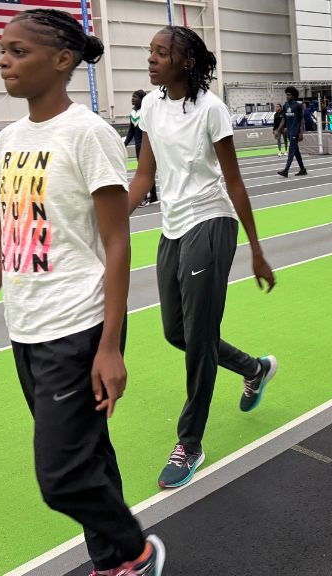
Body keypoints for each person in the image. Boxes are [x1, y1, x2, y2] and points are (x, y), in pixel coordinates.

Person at [0, 9, 164, 575]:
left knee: (60, 477)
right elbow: (1, 243)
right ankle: (117, 563)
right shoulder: (10, 139)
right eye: (2, 51)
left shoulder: (88, 134)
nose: (2, 60)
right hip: (26, 327)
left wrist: (110, 345)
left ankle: (137, 549)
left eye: (17, 51)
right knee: (90, 457)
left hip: (77, 326)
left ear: (63, 61)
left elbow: (117, 243)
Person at [131, 25, 278, 490]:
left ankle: (189, 442)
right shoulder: (151, 107)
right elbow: (145, 174)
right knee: (177, 331)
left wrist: (256, 248)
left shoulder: (212, 110)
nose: (151, 59)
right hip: (172, 226)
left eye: (160, 53)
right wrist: (112, 217)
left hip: (211, 223)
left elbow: (233, 182)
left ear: (187, 62)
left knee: (198, 339)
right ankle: (255, 369)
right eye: (150, 52)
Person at [125, 89, 157, 205]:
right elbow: (130, 133)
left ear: (142, 99)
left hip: (147, 146)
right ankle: (153, 196)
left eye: (135, 97)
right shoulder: (133, 114)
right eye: (132, 96)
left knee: (146, 170)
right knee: (145, 171)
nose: (132, 99)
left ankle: (147, 196)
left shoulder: (146, 112)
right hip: (138, 146)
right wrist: (124, 144)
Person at [277, 86, 307, 177]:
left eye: (289, 95)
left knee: (291, 151)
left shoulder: (298, 106)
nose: (287, 96)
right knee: (296, 151)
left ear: (294, 96)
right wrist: (278, 130)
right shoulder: (285, 105)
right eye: (286, 95)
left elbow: (302, 119)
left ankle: (286, 170)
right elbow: (283, 119)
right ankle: (302, 169)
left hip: (295, 132)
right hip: (289, 132)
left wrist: (301, 132)